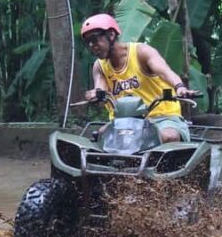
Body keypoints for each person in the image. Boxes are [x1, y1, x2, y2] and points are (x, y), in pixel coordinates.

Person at [81, 13, 195, 143]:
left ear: (111, 35)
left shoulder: (141, 52)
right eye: (88, 42)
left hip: (161, 118)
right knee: (100, 137)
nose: (91, 46)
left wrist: (179, 87)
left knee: (169, 137)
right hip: (123, 122)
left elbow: (165, 72)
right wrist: (95, 94)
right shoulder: (99, 66)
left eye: (94, 40)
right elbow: (100, 88)